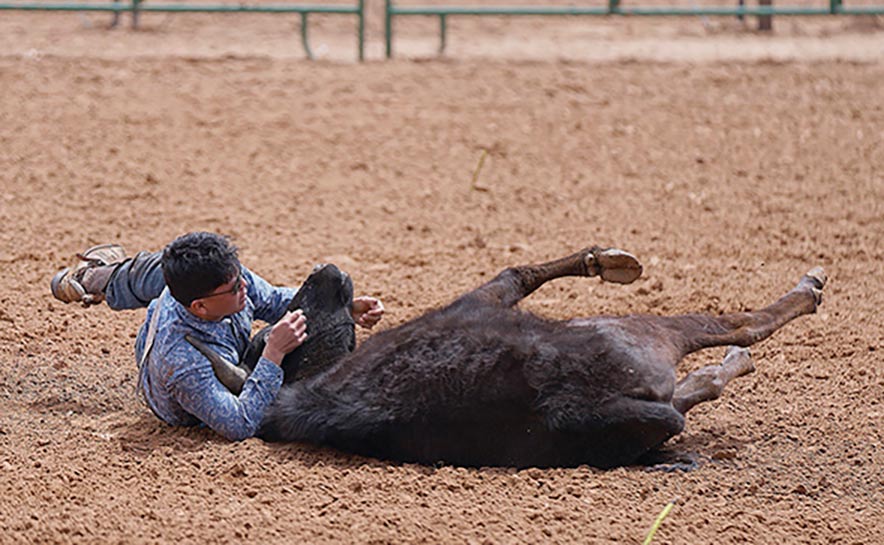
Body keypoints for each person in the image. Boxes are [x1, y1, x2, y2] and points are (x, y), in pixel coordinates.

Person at [49, 232, 384, 441]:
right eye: (234, 286)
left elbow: (271, 299)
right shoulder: (182, 361)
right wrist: (272, 356)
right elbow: (238, 425)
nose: (244, 287)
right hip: (185, 392)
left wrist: (344, 310)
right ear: (200, 305)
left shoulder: (226, 280)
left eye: (240, 277)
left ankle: (99, 277)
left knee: (161, 269)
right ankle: (100, 277)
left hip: (201, 322)